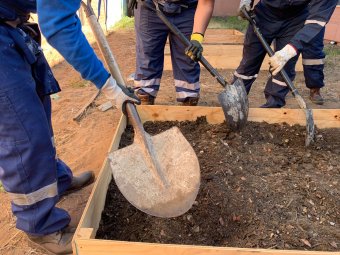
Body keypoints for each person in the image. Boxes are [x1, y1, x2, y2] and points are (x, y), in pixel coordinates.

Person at [0, 0, 140, 254]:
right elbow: (59, 25)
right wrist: (110, 89)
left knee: (38, 117)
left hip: (11, 24)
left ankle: (55, 179)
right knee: (23, 133)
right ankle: (39, 226)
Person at [186, 0, 337, 108]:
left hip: (296, 19)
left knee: (284, 68)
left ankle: (273, 105)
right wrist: (246, 2)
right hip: (266, 14)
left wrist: (288, 51)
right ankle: (236, 100)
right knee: (249, 62)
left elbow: (315, 24)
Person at [132, 0, 201, 106]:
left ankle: (188, 99)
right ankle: (145, 96)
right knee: (147, 53)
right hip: (150, 7)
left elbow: (206, 3)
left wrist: (197, 37)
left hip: (188, 9)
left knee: (189, 55)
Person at [301, 27, 326, 105]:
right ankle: (280, 88)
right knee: (284, 49)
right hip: (288, 17)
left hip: (314, 18)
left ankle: (315, 89)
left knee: (313, 54)